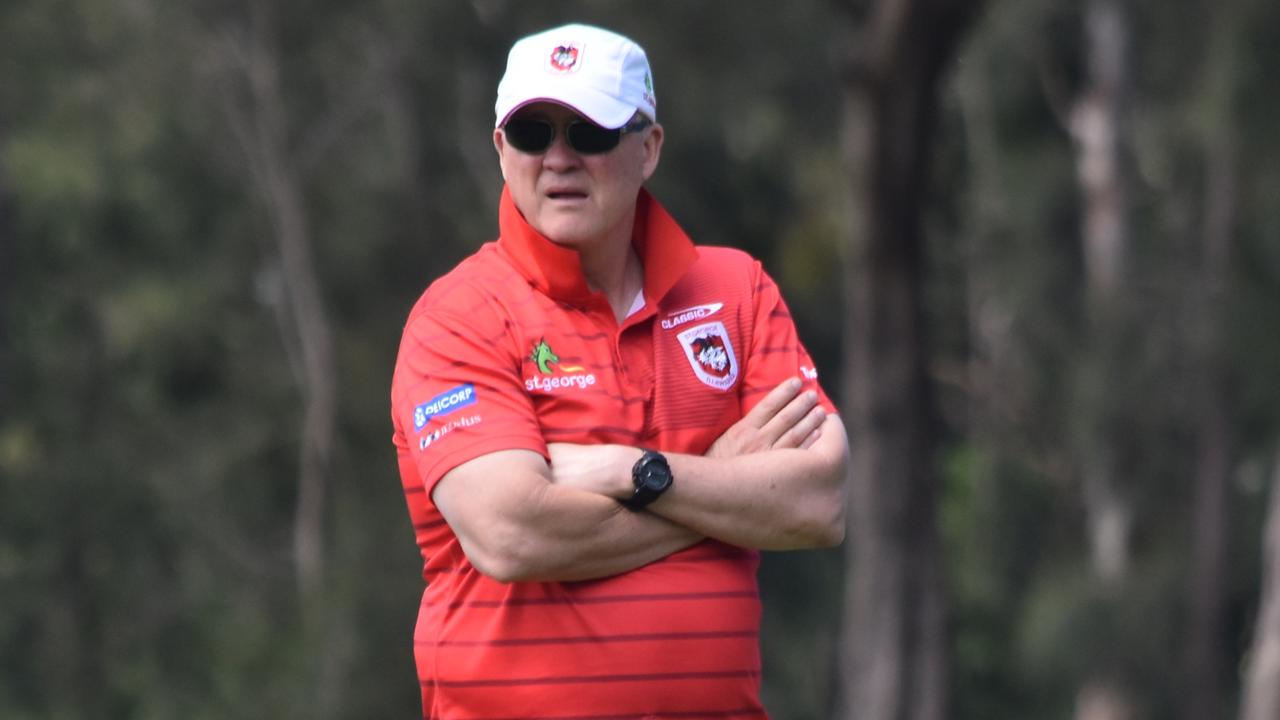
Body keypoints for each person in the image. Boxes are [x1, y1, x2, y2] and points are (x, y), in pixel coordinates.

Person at [390, 22, 848, 719]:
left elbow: (817, 503)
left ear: (649, 147)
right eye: (533, 133)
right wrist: (715, 485)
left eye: (591, 133)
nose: (559, 158)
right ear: (500, 149)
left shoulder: (737, 289)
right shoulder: (459, 316)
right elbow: (513, 535)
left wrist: (626, 470)